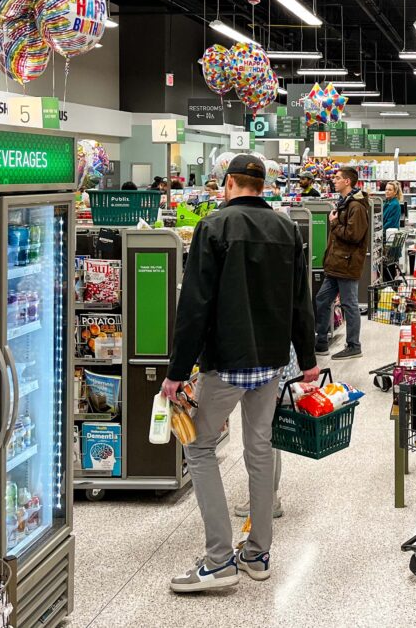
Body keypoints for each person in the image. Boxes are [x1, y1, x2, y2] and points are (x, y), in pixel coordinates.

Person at [161, 154, 319, 593]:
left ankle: (217, 560)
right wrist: (307, 360)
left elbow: (194, 307)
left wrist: (176, 371)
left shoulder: (212, 228)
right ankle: (258, 553)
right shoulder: (287, 229)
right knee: (260, 449)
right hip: (270, 362)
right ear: (263, 185)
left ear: (228, 183)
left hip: (226, 362)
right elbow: (299, 304)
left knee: (200, 448)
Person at [314, 166, 370, 360]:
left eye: (337, 178)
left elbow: (354, 236)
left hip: (347, 264)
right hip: (336, 263)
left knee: (349, 305)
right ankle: (321, 341)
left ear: (348, 181)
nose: (333, 181)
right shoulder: (344, 203)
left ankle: (354, 345)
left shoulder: (357, 206)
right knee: (322, 300)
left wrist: (334, 223)